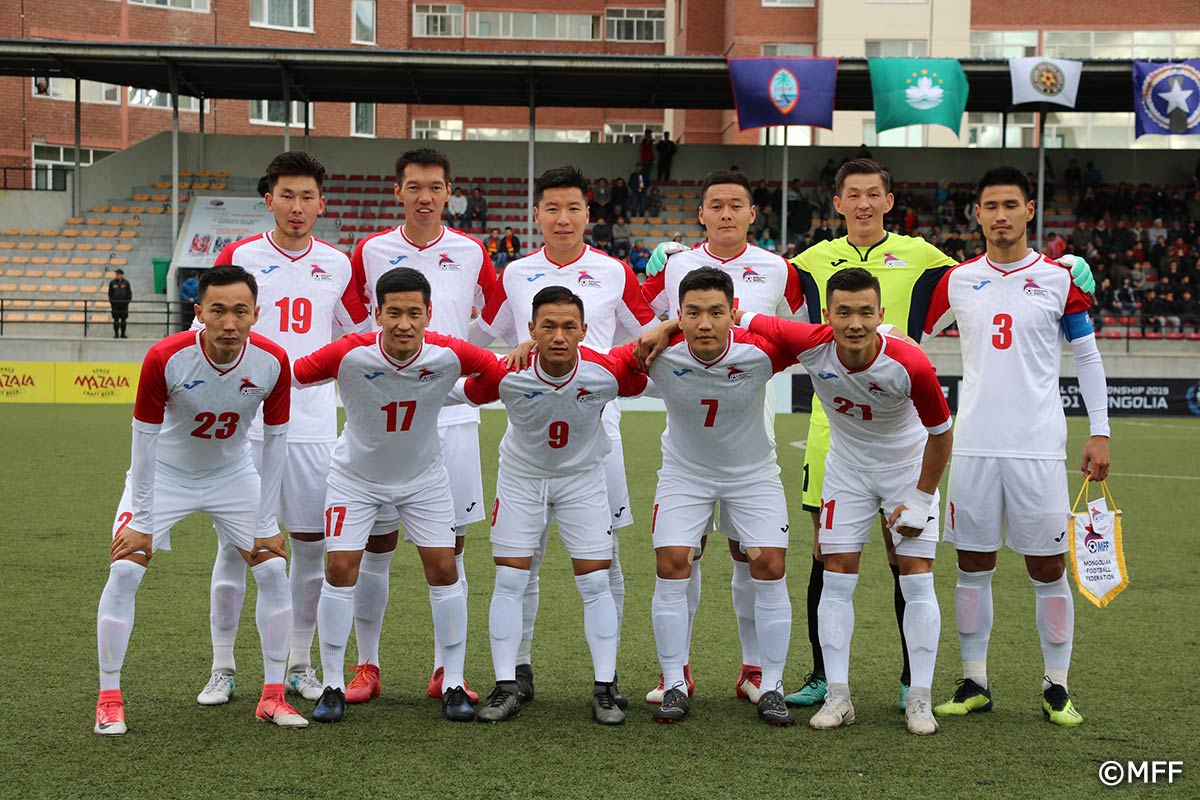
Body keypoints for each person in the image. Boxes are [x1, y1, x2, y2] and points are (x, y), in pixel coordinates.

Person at [785, 158, 1096, 712]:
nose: (863, 203)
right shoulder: (808, 260)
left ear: (888, 200)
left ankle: (915, 681)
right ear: (837, 203)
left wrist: (1066, 265)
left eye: (873, 193)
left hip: (905, 427)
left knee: (905, 553)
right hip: (830, 429)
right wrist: (680, 261)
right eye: (852, 194)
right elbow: (750, 279)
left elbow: (995, 276)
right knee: (827, 553)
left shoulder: (931, 259)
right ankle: (822, 676)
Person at [924, 166, 1111, 727]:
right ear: (977, 215)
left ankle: (1057, 686)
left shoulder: (1059, 278)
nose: (1001, 215)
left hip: (1038, 448)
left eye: (1011, 205)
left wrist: (1100, 430)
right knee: (971, 564)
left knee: (1048, 567)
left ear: (1030, 210)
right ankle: (975, 681)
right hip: (974, 447)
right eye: (991, 206)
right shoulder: (957, 280)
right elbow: (912, 339)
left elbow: (1088, 357)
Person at [735, 268, 953, 735]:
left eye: (866, 313)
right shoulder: (811, 343)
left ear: (881, 314)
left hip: (906, 471)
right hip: (847, 472)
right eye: (845, 312)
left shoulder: (909, 362)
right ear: (827, 315)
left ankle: (920, 698)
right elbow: (745, 318)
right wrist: (663, 328)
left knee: (917, 577)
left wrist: (921, 499)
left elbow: (940, 433)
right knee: (836, 575)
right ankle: (838, 696)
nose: (855, 323)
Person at [470, 165, 658, 707]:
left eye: (573, 208)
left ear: (588, 214)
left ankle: (608, 677)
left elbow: (648, 332)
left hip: (598, 429)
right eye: (552, 208)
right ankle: (518, 670)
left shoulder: (614, 271)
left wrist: (604, 362)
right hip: (532, 430)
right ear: (537, 214)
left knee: (606, 560)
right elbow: (482, 333)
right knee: (520, 561)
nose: (562, 218)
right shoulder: (515, 273)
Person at [94, 264, 303, 735]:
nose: (229, 323)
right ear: (199, 312)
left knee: (272, 568)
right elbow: (143, 441)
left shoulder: (272, 360)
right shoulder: (166, 357)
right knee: (125, 569)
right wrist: (142, 518)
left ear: (256, 313)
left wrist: (267, 520)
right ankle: (109, 699)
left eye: (240, 311)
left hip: (232, 475)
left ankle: (272, 697)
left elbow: (276, 443)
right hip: (165, 476)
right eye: (218, 310)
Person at [294, 267, 507, 724]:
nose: (404, 324)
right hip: (355, 479)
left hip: (423, 478)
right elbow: (296, 374)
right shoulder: (350, 352)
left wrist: (457, 393)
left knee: (445, 568)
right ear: (377, 314)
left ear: (429, 313)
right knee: (340, 569)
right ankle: (332, 683)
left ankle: (452, 681)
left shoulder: (447, 353)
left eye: (414, 313)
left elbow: (491, 377)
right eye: (394, 313)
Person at [197, 151, 371, 708]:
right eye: (287, 195)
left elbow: (358, 336)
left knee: (310, 548)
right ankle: (223, 666)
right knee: (234, 548)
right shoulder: (239, 256)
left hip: (313, 426)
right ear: (268, 199)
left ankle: (299, 663)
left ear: (322, 204)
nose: (297, 207)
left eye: (307, 197)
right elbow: (209, 330)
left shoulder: (339, 265)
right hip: (246, 427)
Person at [640, 169, 804, 706]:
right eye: (716, 205)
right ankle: (676, 675)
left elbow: (802, 330)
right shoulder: (675, 264)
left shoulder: (778, 268)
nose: (727, 213)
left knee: (751, 555)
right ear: (701, 213)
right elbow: (643, 321)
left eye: (737, 204)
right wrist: (667, 325)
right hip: (690, 424)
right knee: (684, 554)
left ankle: (757, 673)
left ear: (753, 213)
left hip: (751, 422)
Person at [613, 267, 799, 727]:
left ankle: (771, 685)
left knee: (769, 565)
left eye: (716, 312)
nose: (705, 323)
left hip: (752, 475)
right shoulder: (660, 353)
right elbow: (604, 364)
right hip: (685, 475)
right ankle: (675, 681)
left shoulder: (759, 351)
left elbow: (811, 340)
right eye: (692, 313)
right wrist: (660, 331)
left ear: (733, 313)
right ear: (679, 315)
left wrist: (885, 337)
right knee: (672, 562)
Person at [455, 286, 647, 725]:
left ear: (583, 330)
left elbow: (651, 365)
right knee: (510, 578)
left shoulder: (607, 371)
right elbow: (458, 389)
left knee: (596, 582)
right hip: (522, 481)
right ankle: (507, 686)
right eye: (548, 326)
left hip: (583, 481)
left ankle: (604, 688)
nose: (558, 336)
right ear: (531, 330)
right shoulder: (508, 372)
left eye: (568, 326)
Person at [350, 148, 499, 706]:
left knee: (450, 548)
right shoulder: (371, 251)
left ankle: (446, 670)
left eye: (435, 187)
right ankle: (367, 666)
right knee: (376, 543)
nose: (425, 197)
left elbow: (495, 315)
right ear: (398, 191)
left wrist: (456, 357)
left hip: (451, 414)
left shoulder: (471, 251)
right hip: (383, 416)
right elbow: (351, 318)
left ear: (449, 193)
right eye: (414, 186)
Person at [108, 268, 132, 338]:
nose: (116, 275)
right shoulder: (112, 283)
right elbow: (110, 293)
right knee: (116, 320)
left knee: (123, 320)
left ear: (121, 275)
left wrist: (127, 302)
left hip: (124, 305)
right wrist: (112, 302)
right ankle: (116, 334)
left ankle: (123, 334)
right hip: (115, 305)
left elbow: (129, 293)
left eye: (118, 274)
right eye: (116, 274)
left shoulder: (126, 283)